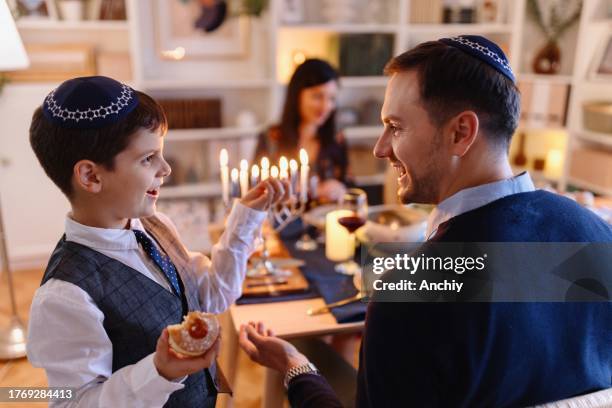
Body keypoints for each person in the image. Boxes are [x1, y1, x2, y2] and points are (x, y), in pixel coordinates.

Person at [238, 36, 612, 407]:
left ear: (461, 132)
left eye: (396, 127)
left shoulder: (409, 295)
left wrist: (296, 368)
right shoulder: (599, 237)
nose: (380, 148)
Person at [26, 76, 290, 408]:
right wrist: (159, 371)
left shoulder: (154, 225)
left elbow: (211, 295)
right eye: (148, 158)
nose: (165, 168)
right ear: (91, 176)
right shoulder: (65, 296)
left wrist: (246, 217)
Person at [254, 58, 351, 203]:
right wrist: (316, 190)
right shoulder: (271, 138)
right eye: (317, 96)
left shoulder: (337, 140)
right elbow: (256, 191)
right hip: (281, 223)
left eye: (331, 98)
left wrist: (341, 191)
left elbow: (349, 188)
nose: (326, 106)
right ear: (297, 95)